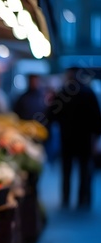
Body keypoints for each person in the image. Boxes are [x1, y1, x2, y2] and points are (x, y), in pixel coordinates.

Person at [48, 67, 101, 208]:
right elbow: (97, 119)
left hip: (67, 138)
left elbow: (51, 115)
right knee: (85, 170)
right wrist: (95, 139)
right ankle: (83, 199)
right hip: (85, 139)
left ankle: (66, 198)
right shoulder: (89, 93)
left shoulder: (63, 93)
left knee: (67, 170)